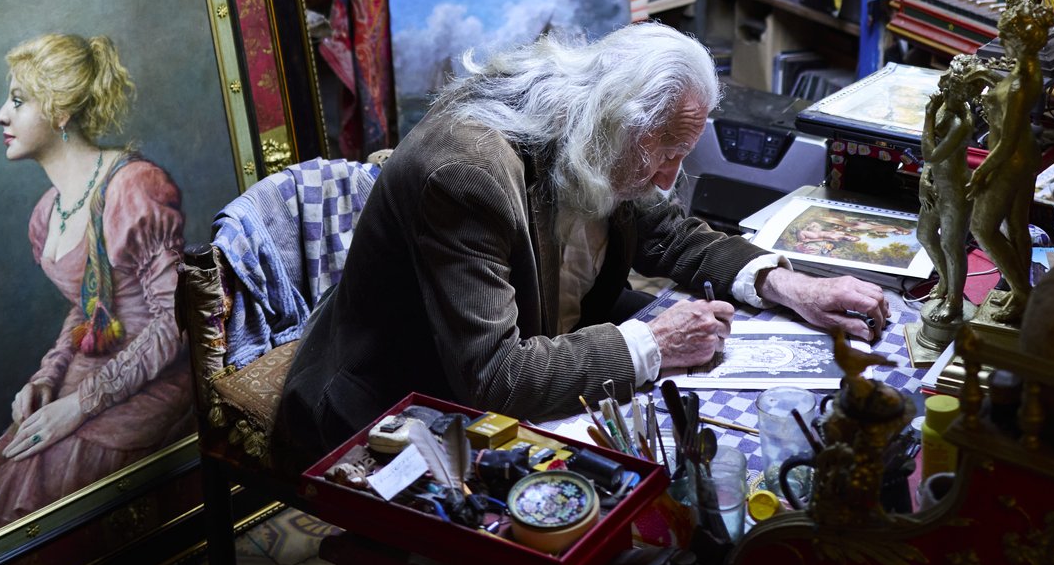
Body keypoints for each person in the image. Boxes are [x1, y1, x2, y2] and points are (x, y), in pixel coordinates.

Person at [270, 26, 891, 470]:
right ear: (618, 121)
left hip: (527, 338)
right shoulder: (468, 174)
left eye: (682, 155)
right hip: (392, 399)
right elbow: (496, 378)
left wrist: (791, 285)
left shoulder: (600, 127)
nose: (670, 179)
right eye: (665, 155)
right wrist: (654, 343)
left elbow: (670, 233)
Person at [0, 33, 191, 542]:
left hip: (156, 376)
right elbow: (88, 306)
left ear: (61, 112)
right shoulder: (46, 215)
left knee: (46, 467)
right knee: (13, 462)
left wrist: (81, 404)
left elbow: (177, 320)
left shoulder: (133, 187)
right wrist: (49, 377)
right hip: (94, 365)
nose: (1, 115)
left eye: (18, 102)